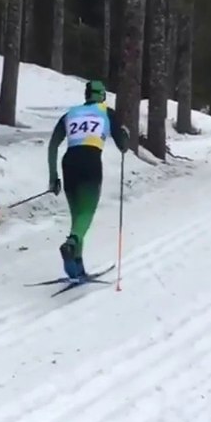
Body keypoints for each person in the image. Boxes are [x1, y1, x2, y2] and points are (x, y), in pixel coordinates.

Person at [47, 79, 130, 279]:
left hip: (69, 164)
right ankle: (71, 244)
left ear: (86, 95)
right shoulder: (106, 112)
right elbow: (123, 146)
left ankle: (76, 265)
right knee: (86, 213)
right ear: (102, 95)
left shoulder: (70, 114)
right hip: (91, 163)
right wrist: (125, 134)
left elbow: (52, 145)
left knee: (77, 216)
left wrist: (53, 177)